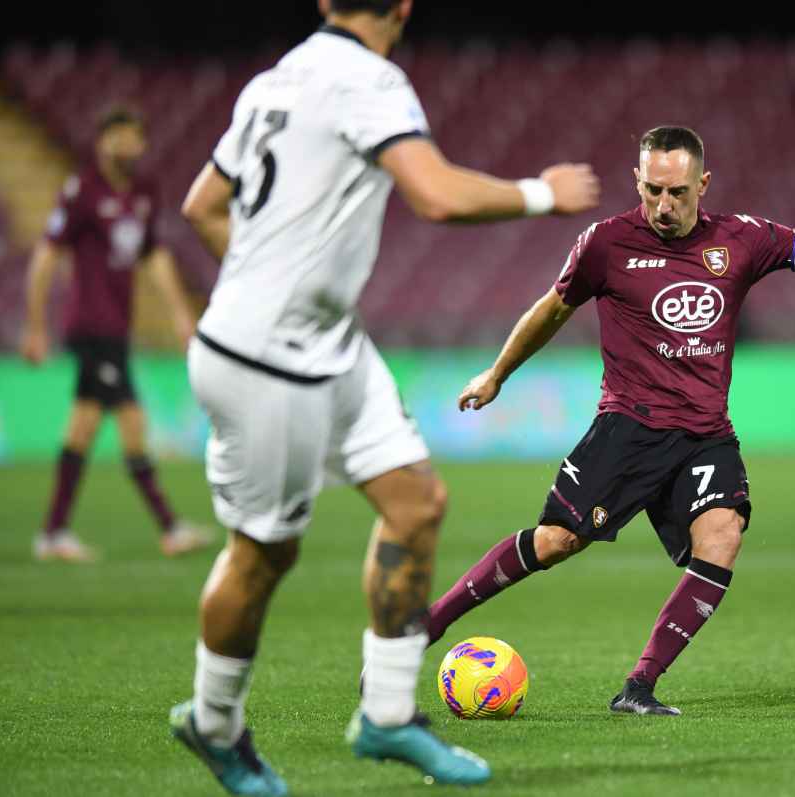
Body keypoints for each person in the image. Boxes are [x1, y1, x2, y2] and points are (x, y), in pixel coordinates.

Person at [433, 125, 795, 716]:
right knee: (557, 542)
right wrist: (497, 374)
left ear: (703, 184)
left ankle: (638, 687)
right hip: (629, 427)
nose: (664, 205)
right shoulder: (606, 244)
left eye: (678, 192)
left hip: (706, 434)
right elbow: (552, 309)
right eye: (652, 190)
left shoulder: (745, 239)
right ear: (636, 180)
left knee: (722, 537)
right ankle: (425, 627)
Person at [171, 0, 600, 793]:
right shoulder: (369, 80)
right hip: (266, 356)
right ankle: (213, 719)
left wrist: (270, 280)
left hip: (329, 343)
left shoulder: (276, 80)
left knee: (416, 502)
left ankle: (390, 717)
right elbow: (435, 195)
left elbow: (202, 205)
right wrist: (542, 193)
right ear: (402, 7)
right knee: (264, 553)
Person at [20, 106, 211, 563]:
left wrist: (182, 315)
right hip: (90, 326)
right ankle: (168, 527)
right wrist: (35, 325)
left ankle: (54, 532)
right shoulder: (82, 190)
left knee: (84, 426)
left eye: (132, 137)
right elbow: (46, 256)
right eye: (116, 137)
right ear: (101, 142)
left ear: (142, 145)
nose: (125, 145)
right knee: (130, 422)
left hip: (116, 328)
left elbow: (156, 256)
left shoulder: (145, 191)